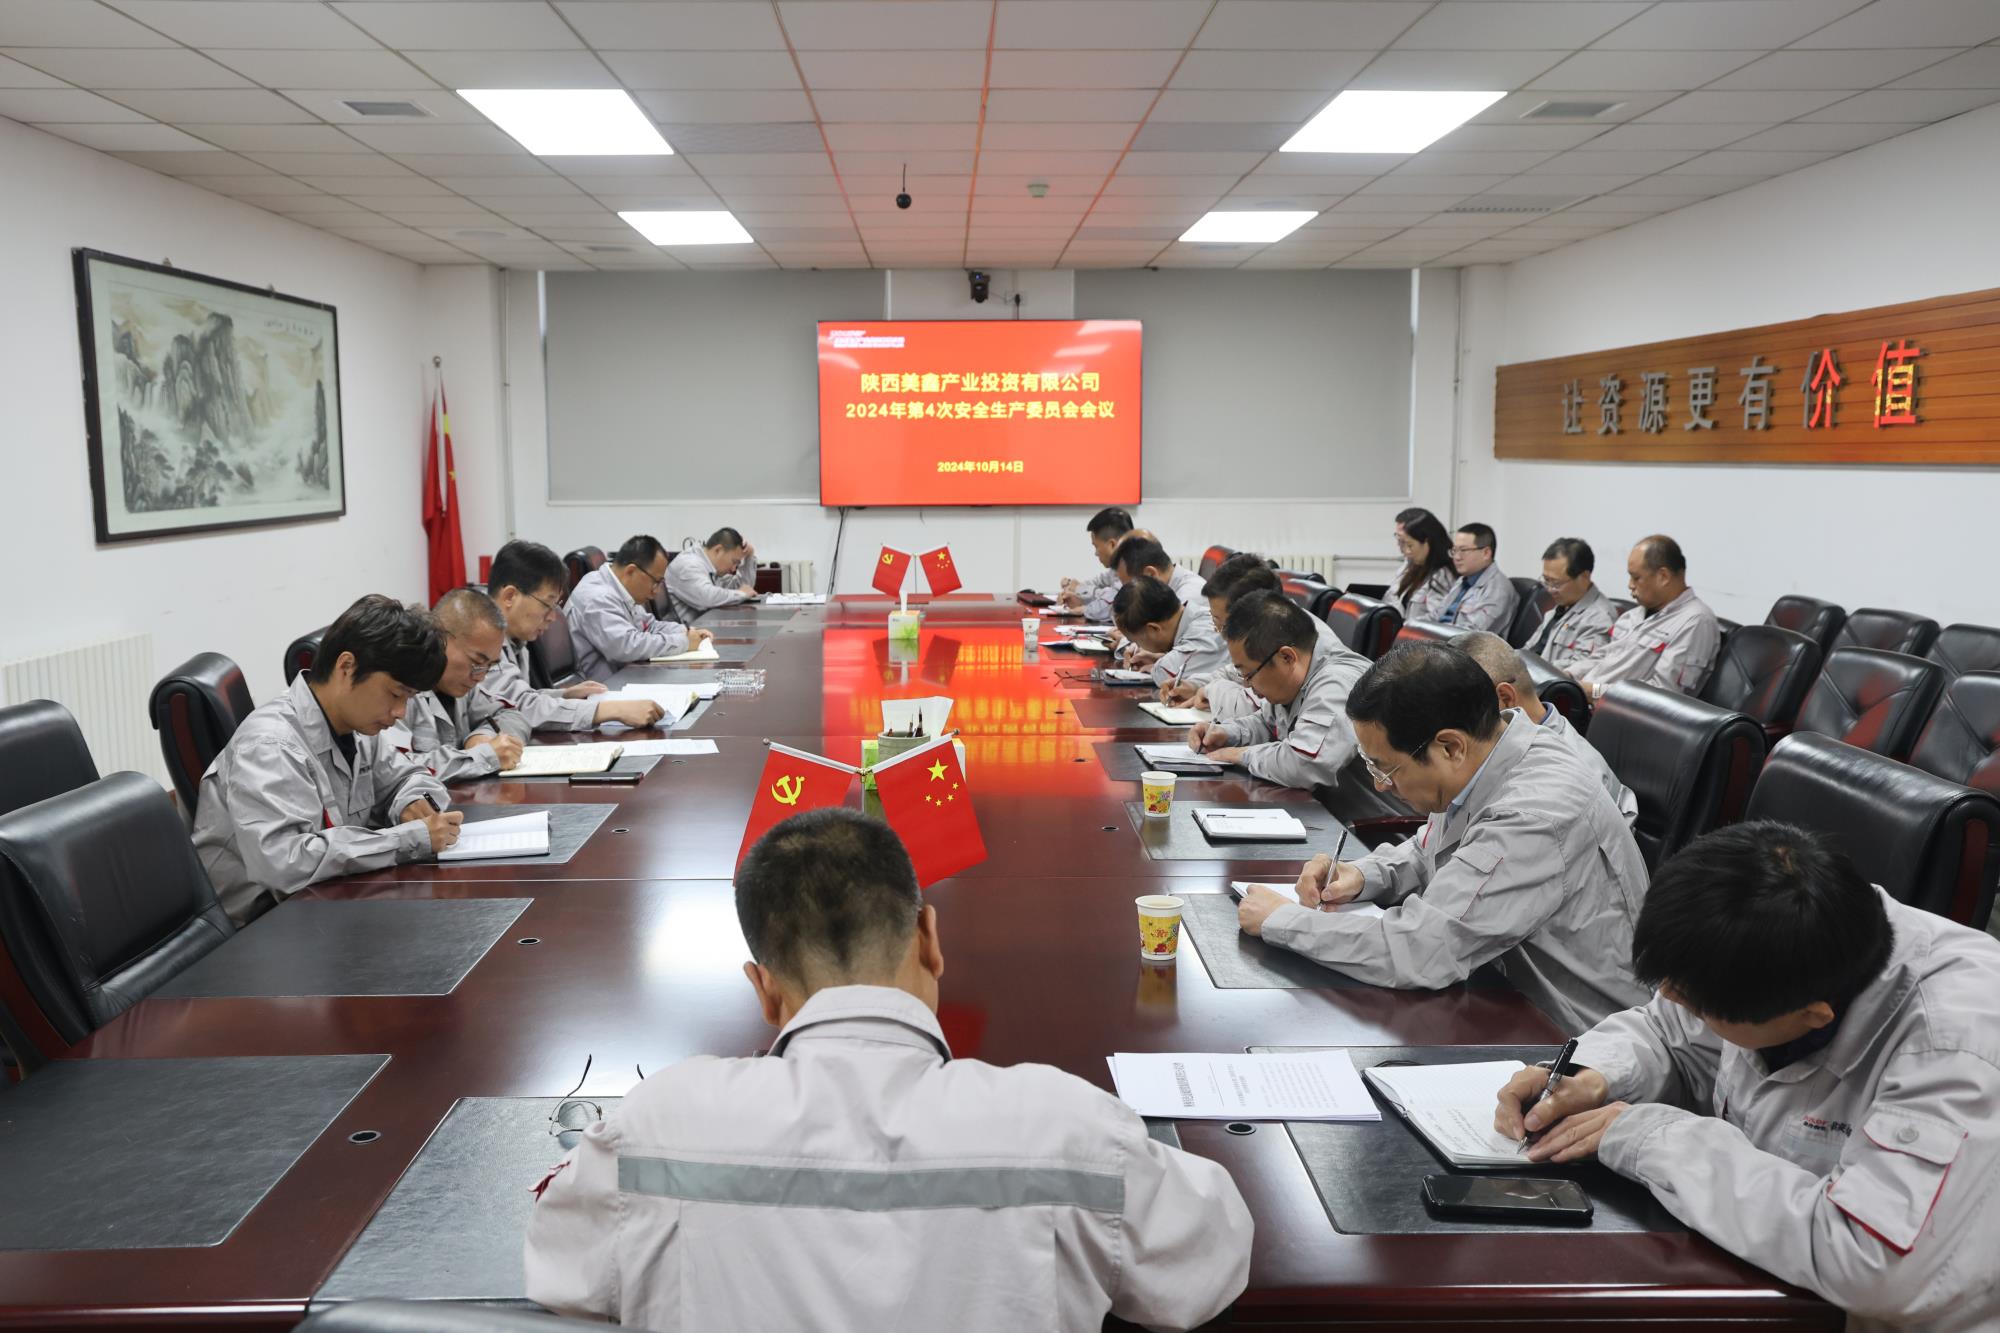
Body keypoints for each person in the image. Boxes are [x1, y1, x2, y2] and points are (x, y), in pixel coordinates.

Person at [524, 807, 1253, 1331]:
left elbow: (561, 1267)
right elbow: (1210, 1259)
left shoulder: (661, 1123)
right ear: (930, 939)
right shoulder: (1067, 1126)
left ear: (764, 991)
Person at [1496, 823, 2000, 1333]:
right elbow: (1668, 1030)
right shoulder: (1778, 931)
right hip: (1763, 1280)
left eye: (1697, 1005)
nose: (1674, 1001)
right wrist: (1591, 1075)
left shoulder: (1957, 1048)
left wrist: (1650, 1137)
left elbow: (1870, 1262)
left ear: (1813, 1016)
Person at [1234, 641, 1650, 1032]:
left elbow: (1422, 950)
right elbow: (1432, 848)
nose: (1380, 785)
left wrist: (1283, 921)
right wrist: (1363, 875)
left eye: (1386, 768)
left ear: (1449, 747)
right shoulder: (1489, 754)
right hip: (1496, 989)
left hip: (1569, 1035)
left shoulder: (1533, 812)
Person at [193, 595, 461, 925]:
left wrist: (410, 800)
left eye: (409, 698)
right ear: (346, 667)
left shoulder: (358, 726)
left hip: (326, 905)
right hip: (266, 926)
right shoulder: (270, 744)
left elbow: (408, 775)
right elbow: (284, 864)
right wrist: (408, 840)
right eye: (395, 693)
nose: (400, 713)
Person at [1187, 591, 1372, 792]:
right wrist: (1227, 733)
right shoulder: (1296, 676)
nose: (1247, 685)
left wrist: (1240, 754)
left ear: (1286, 657)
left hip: (1354, 812)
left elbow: (1305, 764)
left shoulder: (1337, 684)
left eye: (1249, 674)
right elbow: (1269, 724)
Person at [478, 540, 666, 734]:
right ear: (510, 596)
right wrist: (607, 710)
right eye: (547, 604)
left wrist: (564, 695)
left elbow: (514, 698)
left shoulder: (514, 638)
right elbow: (518, 707)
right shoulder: (481, 640)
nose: (552, 617)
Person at [1453, 630, 1636, 827]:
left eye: (1457, 710)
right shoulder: (1505, 746)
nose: (1449, 724)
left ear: (1505, 698)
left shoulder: (1567, 774)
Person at [1570, 535, 1721, 701]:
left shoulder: (1696, 621)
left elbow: (1664, 693)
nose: (1630, 585)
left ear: (1663, 576)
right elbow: (1602, 657)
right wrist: (1567, 675)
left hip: (1616, 711)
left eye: (1636, 577)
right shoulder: (1635, 614)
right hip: (1585, 699)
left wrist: (1594, 691)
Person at [398, 587, 524, 782]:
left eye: (490, 666)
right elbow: (397, 771)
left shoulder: (463, 686)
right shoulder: (400, 690)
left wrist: (481, 736)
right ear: (440, 639)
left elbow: (513, 715)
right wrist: (484, 756)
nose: (480, 677)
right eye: (477, 662)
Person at [564, 534, 713, 683]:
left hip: (625, 678)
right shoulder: (597, 597)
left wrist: (686, 631)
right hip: (603, 689)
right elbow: (626, 646)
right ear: (631, 571)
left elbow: (649, 626)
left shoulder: (618, 589)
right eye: (655, 582)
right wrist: (684, 642)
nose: (656, 592)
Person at [1111, 575, 1226, 691]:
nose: (1139, 647)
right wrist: (1161, 657)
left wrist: (1157, 667)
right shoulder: (1195, 619)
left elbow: (1167, 674)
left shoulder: (1203, 631)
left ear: (1153, 629)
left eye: (1136, 641)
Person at [1526, 537, 1616, 667]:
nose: (1550, 589)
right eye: (1546, 580)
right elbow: (1531, 648)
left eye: (1556, 583)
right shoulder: (1562, 606)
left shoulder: (1599, 618)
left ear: (1584, 576)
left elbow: (1581, 668)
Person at [1430, 522, 1518, 632]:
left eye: (1463, 550)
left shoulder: (1498, 590)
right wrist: (1415, 626)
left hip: (1461, 642)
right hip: (1439, 638)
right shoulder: (1463, 581)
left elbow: (1471, 633)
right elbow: (1435, 615)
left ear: (1486, 553)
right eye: (1454, 550)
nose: (1456, 557)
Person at [666, 527, 760, 622]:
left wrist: (749, 556)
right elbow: (706, 598)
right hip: (686, 629)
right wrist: (741, 594)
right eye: (734, 562)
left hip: (703, 626)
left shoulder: (711, 568)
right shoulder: (688, 565)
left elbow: (744, 587)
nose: (733, 569)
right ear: (718, 550)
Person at [1059, 506, 1134, 622]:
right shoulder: (1118, 567)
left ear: (1112, 545)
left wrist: (1082, 599)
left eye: (1096, 546)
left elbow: (1109, 604)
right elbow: (1100, 584)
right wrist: (1078, 595)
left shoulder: (1134, 567)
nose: (1096, 553)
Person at [1390, 507, 1455, 622]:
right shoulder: (1410, 565)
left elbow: (1438, 621)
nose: (1404, 550)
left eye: (1409, 545)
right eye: (1400, 541)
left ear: (1427, 542)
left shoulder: (1443, 577)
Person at [1111, 535, 1204, 606]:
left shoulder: (1187, 599)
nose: (1127, 595)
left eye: (1130, 588)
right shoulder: (1165, 592)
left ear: (1151, 574)